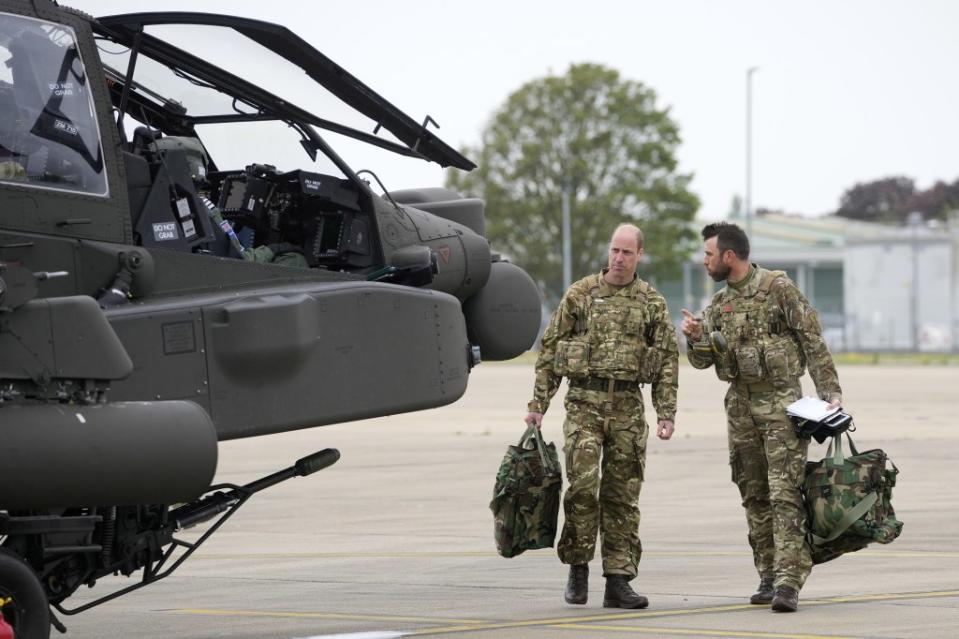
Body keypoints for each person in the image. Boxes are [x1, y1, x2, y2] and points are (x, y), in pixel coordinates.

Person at [680, 222, 842, 613]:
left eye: (709, 254)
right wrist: (696, 336)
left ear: (729, 256)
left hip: (782, 405)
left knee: (784, 493)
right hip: (740, 409)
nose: (705, 261)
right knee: (753, 495)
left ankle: (789, 581)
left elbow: (812, 338)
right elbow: (703, 362)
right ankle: (767, 573)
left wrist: (830, 393)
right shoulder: (718, 306)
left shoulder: (778, 289)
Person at [525, 223, 678, 609]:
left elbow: (666, 362)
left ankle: (619, 579)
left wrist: (666, 412)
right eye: (615, 250)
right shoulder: (581, 294)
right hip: (584, 404)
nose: (619, 258)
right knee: (582, 490)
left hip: (627, 405)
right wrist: (538, 405)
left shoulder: (651, 302)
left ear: (640, 255)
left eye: (627, 252)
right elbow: (550, 350)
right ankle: (578, 569)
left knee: (622, 496)